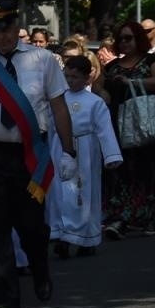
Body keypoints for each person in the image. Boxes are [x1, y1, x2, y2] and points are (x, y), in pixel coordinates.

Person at [0, 0, 76, 308]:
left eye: (7, 30)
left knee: (31, 225)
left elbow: (58, 107)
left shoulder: (42, 60)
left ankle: (40, 267)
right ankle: (5, 294)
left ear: (17, 28)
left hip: (30, 154)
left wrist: (68, 151)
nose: (1, 37)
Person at [47, 55, 122, 257]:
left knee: (83, 194)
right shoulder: (57, 98)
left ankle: (86, 238)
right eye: (67, 76)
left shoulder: (95, 102)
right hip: (60, 147)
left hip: (86, 150)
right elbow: (51, 127)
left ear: (87, 77)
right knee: (60, 193)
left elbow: (105, 130)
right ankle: (63, 234)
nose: (70, 81)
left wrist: (111, 155)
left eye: (75, 77)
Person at [101, 20, 155, 237]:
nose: (124, 42)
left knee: (150, 169)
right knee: (122, 171)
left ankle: (147, 217)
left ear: (138, 38)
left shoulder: (152, 60)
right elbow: (98, 86)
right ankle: (121, 218)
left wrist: (131, 82)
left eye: (128, 38)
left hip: (148, 123)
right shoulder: (111, 67)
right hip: (119, 125)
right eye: (120, 39)